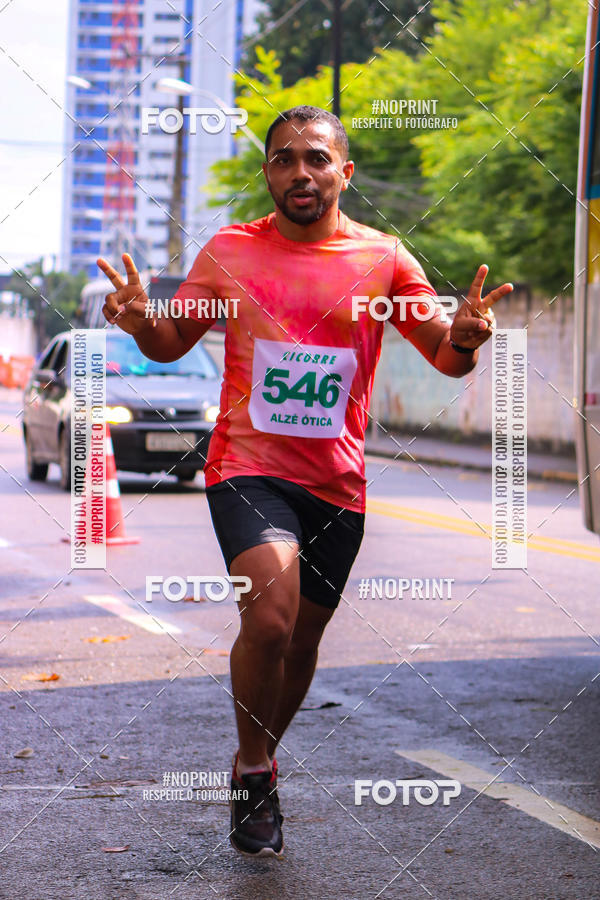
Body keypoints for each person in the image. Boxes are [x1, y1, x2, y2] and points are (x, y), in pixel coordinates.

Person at [98, 105, 512, 858]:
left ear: (343, 173)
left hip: (337, 483)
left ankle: (259, 754)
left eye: (316, 159)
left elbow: (444, 357)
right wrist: (137, 320)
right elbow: (168, 343)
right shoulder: (229, 253)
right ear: (268, 173)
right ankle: (254, 770)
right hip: (247, 466)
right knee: (271, 616)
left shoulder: (385, 259)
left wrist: (466, 337)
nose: (300, 172)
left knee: (305, 637)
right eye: (284, 158)